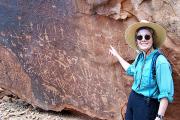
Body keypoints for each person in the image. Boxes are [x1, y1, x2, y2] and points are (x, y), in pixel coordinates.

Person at [109, 20, 174, 120]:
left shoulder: (160, 62)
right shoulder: (140, 56)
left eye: (147, 36)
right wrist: (117, 55)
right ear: (137, 40)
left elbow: (165, 93)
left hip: (147, 105)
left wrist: (159, 117)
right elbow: (131, 70)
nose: (143, 39)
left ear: (153, 39)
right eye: (140, 37)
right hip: (133, 99)